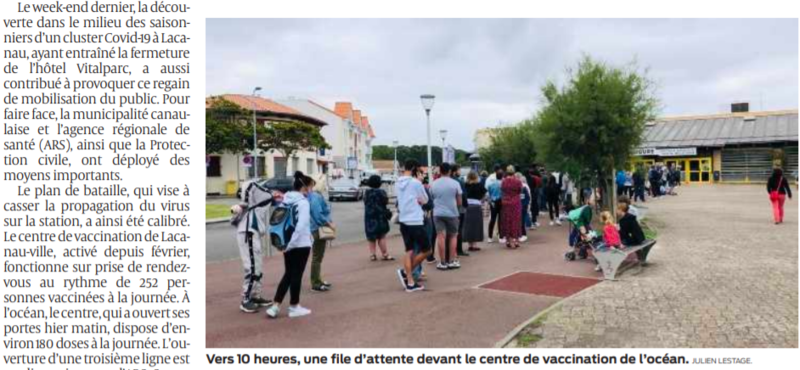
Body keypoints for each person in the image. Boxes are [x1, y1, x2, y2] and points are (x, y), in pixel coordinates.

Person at [266, 172, 314, 319]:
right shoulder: (303, 203)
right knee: (296, 275)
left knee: (288, 274)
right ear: (304, 187)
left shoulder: (286, 200)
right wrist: (293, 243)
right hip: (300, 244)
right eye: (311, 187)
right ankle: (294, 307)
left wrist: (287, 245)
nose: (312, 190)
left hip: (286, 242)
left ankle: (275, 306)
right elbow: (301, 225)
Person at [233, 180, 274, 313]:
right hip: (248, 233)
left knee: (258, 266)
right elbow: (249, 184)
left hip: (252, 233)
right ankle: (245, 299)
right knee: (252, 267)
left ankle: (255, 296)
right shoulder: (251, 203)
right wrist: (244, 201)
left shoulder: (257, 204)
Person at [394, 160, 432, 292]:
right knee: (427, 250)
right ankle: (406, 272)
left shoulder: (397, 182)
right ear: (415, 168)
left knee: (409, 250)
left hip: (404, 220)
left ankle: (410, 281)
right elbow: (425, 199)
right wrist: (418, 200)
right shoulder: (416, 183)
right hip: (415, 220)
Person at [430, 162, 463, 270]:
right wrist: (458, 211)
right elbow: (459, 201)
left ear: (440, 171)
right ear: (449, 171)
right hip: (452, 213)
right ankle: (452, 260)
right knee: (453, 235)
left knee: (441, 236)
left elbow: (431, 198)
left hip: (438, 213)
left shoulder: (434, 183)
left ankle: (443, 262)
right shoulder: (455, 183)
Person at [308, 177, 334, 292]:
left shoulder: (313, 196)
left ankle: (318, 279)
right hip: (317, 229)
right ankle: (315, 283)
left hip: (314, 228)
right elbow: (318, 215)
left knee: (317, 257)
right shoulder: (316, 197)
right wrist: (329, 224)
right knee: (317, 257)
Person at [363, 174, 393, 261]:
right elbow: (385, 201)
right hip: (380, 216)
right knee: (381, 236)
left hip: (369, 217)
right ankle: (385, 254)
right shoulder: (381, 192)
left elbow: (365, 202)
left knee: (371, 237)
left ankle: (372, 255)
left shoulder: (367, 192)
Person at [500, 166, 523, 249]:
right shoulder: (517, 181)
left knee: (507, 220)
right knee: (516, 220)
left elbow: (502, 190)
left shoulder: (503, 181)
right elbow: (520, 190)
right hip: (516, 202)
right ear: (514, 172)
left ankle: (508, 240)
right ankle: (515, 241)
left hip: (506, 202)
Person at [463, 171, 486, 252]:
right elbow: (484, 195)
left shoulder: (465, 185)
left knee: (468, 226)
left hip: (467, 206)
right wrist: (481, 201)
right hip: (476, 206)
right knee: (476, 225)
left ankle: (470, 244)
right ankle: (475, 245)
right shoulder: (479, 185)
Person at [486, 165, 505, 243]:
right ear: (502, 176)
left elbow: (487, 194)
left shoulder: (491, 184)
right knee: (501, 219)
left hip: (493, 202)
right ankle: (501, 237)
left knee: (492, 219)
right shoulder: (504, 184)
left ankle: (490, 237)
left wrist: (490, 201)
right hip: (501, 202)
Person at [517, 172, 531, 242]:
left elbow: (527, 198)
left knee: (521, 221)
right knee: (519, 221)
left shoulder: (524, 188)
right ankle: (520, 234)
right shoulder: (517, 188)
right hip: (518, 207)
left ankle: (524, 234)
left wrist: (525, 205)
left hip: (522, 207)